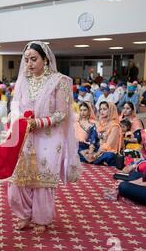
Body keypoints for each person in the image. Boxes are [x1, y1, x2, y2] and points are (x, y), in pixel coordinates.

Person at [8, 41, 80, 234]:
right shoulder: (23, 80)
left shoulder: (60, 81)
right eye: (26, 60)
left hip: (49, 137)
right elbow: (15, 105)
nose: (29, 64)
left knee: (42, 178)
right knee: (19, 177)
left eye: (34, 59)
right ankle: (23, 215)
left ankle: (41, 218)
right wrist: (19, 120)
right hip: (25, 134)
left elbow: (62, 113)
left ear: (45, 59)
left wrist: (38, 123)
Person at [79, 101, 122, 166]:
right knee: (78, 145)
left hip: (105, 150)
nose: (101, 111)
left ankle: (90, 159)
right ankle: (92, 159)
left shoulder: (114, 126)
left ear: (111, 110)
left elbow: (109, 144)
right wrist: (90, 151)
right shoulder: (99, 123)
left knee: (109, 156)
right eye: (100, 109)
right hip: (96, 149)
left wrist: (97, 154)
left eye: (104, 109)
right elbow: (92, 138)